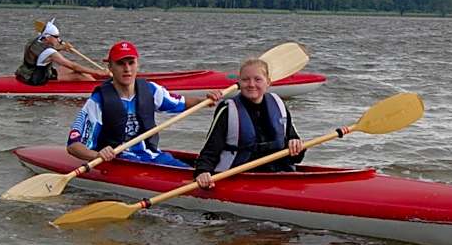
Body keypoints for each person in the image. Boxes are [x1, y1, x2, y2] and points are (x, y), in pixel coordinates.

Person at [67, 41, 222, 167]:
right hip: (119, 162)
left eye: (131, 63)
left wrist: (206, 100)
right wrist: (98, 155)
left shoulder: (151, 90)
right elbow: (74, 146)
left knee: (187, 169)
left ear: (137, 65)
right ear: (110, 67)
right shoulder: (98, 101)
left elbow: (182, 103)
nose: (127, 69)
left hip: (152, 156)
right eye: (121, 63)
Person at [193, 57, 305, 190]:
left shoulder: (279, 105)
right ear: (239, 83)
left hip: (278, 172)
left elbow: (294, 149)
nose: (251, 84)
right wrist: (202, 171)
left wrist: (296, 145)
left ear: (268, 82)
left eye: (258, 79)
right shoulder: (228, 110)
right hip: (239, 175)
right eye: (245, 80)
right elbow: (211, 149)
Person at [15, 19, 105, 84]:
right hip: (36, 79)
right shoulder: (49, 52)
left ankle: (94, 80)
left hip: (27, 72)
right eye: (56, 37)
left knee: (67, 69)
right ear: (47, 37)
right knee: (79, 75)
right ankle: (96, 88)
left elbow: (42, 53)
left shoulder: (36, 40)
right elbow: (74, 66)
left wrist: (62, 47)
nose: (59, 39)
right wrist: (97, 72)